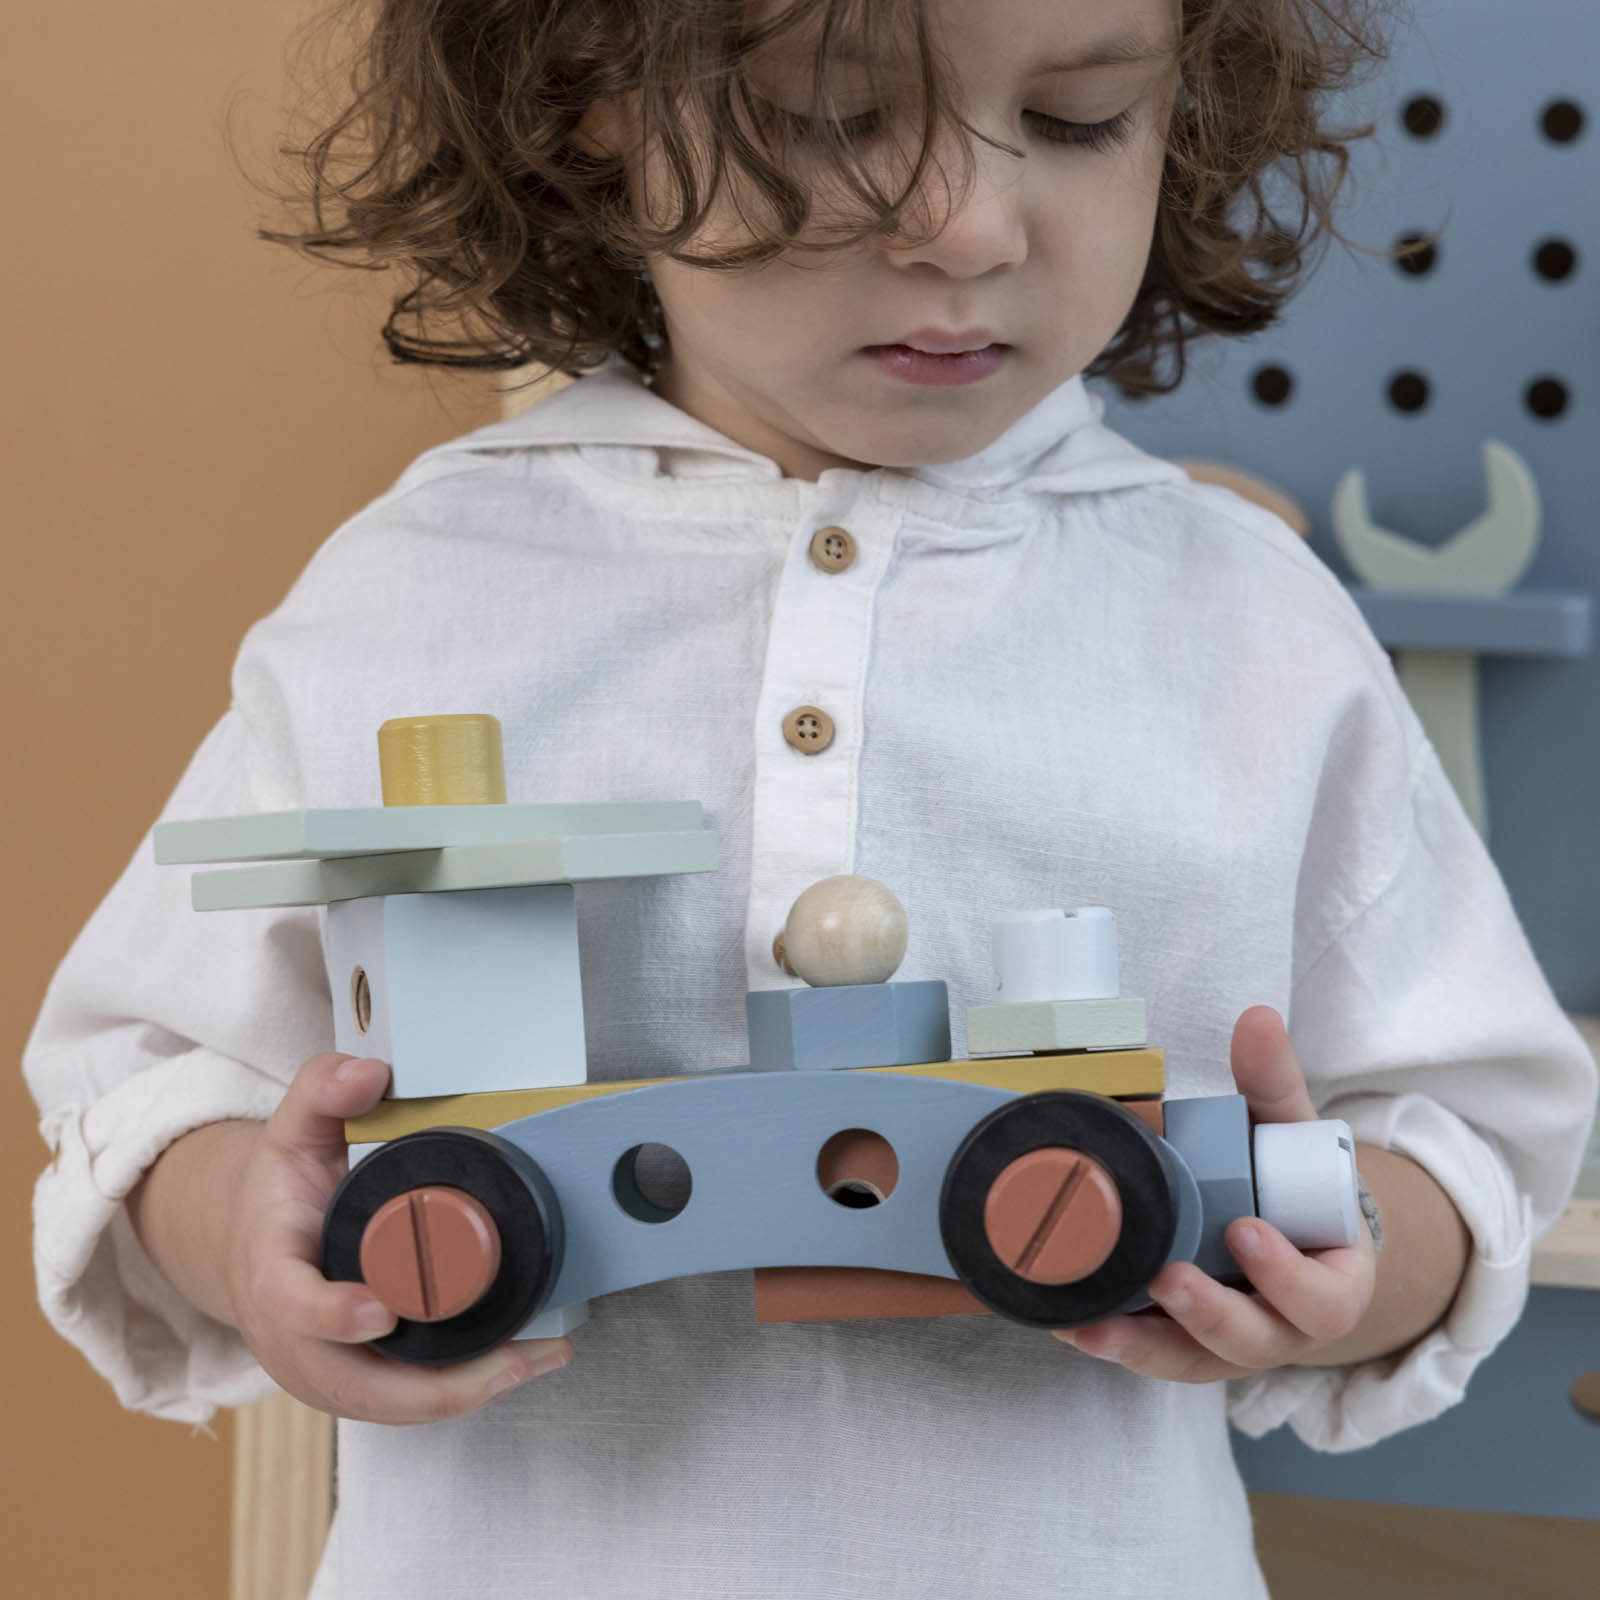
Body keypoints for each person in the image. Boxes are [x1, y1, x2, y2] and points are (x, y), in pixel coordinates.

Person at [23, 0, 1597, 1595]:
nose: (971, 227)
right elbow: (149, 1091)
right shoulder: (411, 598)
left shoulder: (1246, 620)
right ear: (593, 105)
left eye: (1077, 121)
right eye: (832, 119)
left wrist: (1335, 1254)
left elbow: (1466, 1135)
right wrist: (251, 1236)